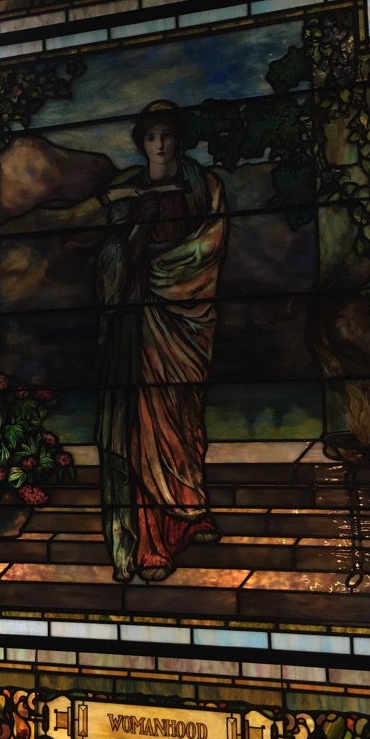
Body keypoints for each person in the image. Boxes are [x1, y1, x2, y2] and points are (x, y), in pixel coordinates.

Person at [96, 100, 227, 582]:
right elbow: (112, 264)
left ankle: (190, 513)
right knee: (146, 424)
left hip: (189, 319)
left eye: (167, 135)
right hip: (141, 323)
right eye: (151, 137)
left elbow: (210, 245)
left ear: (179, 138)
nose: (160, 145)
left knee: (184, 416)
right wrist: (138, 224)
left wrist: (165, 264)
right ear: (141, 142)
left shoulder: (205, 187)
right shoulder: (126, 193)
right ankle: (152, 543)